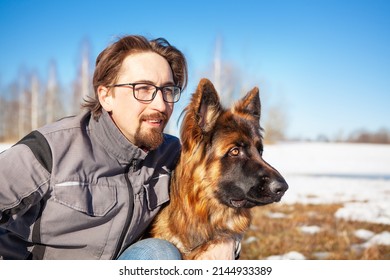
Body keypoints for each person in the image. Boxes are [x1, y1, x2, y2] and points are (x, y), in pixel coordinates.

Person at [0, 35, 237, 260]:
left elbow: (218, 198)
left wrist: (227, 240)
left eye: (167, 90)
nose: (161, 105)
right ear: (106, 96)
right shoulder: (51, 150)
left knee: (159, 254)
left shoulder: (173, 155)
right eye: (142, 88)